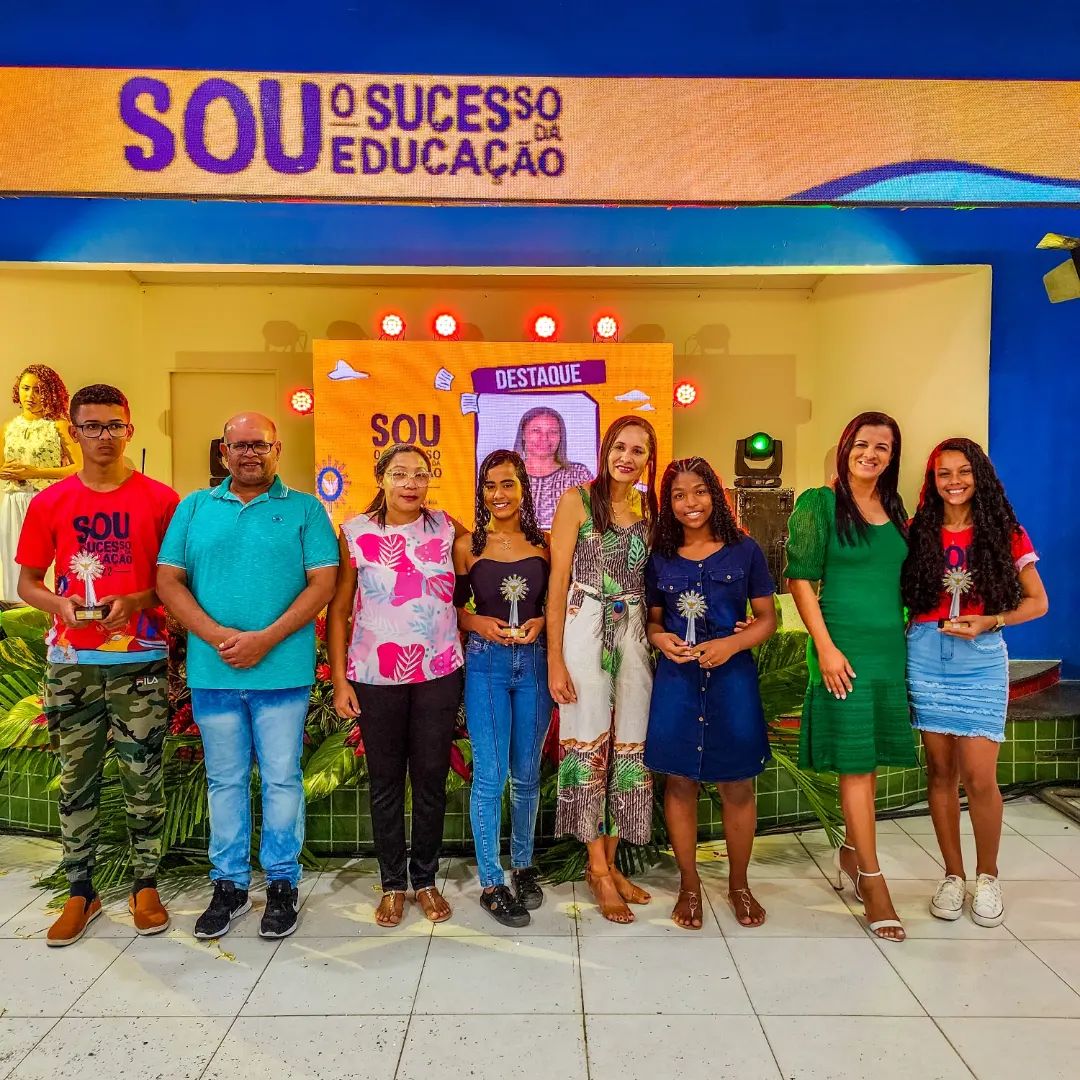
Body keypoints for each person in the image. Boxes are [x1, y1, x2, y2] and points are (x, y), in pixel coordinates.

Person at [157, 413, 338, 940]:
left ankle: (281, 882)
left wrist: (265, 639)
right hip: (214, 673)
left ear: (277, 449)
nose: (249, 453)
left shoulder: (305, 509)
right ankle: (230, 885)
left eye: (259, 444)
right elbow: (168, 581)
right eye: (238, 445)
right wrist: (217, 635)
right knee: (224, 780)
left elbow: (323, 584)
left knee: (282, 778)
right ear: (224, 453)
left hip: (281, 673)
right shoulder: (194, 507)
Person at [16, 383, 177, 946]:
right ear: (74, 432)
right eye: (91, 426)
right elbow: (27, 582)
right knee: (75, 779)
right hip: (71, 662)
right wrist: (59, 605)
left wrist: (135, 601)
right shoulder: (50, 502)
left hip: (141, 658)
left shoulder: (161, 500)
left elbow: (176, 582)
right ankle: (80, 891)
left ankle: (145, 885)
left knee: (143, 775)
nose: (103, 436)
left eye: (113, 425)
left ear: (129, 429)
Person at [901, 438, 1047, 927]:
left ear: (979, 475)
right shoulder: (916, 531)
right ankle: (952, 875)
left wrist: (992, 620)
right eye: (943, 473)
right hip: (926, 655)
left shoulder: (1006, 532)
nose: (954, 481)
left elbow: (1038, 602)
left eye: (963, 471)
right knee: (940, 773)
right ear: (932, 480)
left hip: (980, 660)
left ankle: (988, 876)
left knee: (981, 777)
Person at [785, 411, 914, 942]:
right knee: (856, 766)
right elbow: (800, 580)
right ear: (845, 447)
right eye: (862, 444)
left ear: (892, 456)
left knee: (869, 761)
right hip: (843, 651)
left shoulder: (897, 508)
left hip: (889, 652)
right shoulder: (820, 504)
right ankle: (873, 880)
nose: (871, 454)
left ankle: (851, 853)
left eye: (882, 447)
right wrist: (826, 648)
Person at [328, 443, 466, 927]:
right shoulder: (355, 533)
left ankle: (424, 879)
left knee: (430, 780)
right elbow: (339, 610)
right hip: (374, 675)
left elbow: (490, 561)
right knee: (385, 783)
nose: (411, 483)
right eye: (400, 473)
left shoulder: (447, 527)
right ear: (381, 478)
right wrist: (340, 679)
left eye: (420, 474)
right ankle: (392, 884)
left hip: (438, 673)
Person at [645, 457, 777, 930]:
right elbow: (653, 621)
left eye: (699, 491)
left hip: (731, 682)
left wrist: (731, 645)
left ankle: (739, 884)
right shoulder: (659, 556)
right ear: (668, 504)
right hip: (678, 683)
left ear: (715, 494)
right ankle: (689, 885)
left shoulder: (744, 551)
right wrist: (660, 639)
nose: (690, 503)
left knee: (737, 784)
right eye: (679, 495)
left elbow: (767, 618)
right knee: (680, 782)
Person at [547, 415, 657, 924]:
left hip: (633, 631)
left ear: (648, 459)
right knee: (589, 740)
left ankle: (612, 864)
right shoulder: (576, 501)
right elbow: (557, 583)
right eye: (619, 447)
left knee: (630, 745)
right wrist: (555, 658)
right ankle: (595, 867)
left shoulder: (649, 511)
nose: (626, 458)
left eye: (638, 450)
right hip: (585, 626)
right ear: (605, 449)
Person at [453, 449, 552, 927]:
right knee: (490, 777)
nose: (499, 494)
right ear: (481, 492)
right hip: (486, 665)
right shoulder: (466, 546)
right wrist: (477, 622)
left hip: (534, 664)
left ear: (523, 489)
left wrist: (541, 623)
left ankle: (524, 866)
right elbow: (453, 609)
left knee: (527, 774)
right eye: (490, 485)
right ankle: (492, 882)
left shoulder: (545, 544)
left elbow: (556, 607)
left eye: (508, 484)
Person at [1, 364, 81, 602]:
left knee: (45, 563)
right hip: (13, 501)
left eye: (38, 390)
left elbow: (79, 467)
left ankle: (52, 612)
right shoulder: (8, 427)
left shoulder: (58, 425)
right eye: (25, 388)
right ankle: (16, 615)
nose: (30, 396)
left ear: (50, 393)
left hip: (46, 500)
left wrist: (35, 472)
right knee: (13, 560)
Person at [513, 406, 593, 530]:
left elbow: (597, 523)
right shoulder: (506, 475)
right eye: (536, 430)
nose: (544, 438)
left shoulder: (579, 475)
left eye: (553, 432)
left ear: (561, 436)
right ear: (523, 434)